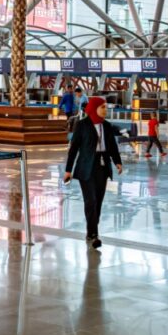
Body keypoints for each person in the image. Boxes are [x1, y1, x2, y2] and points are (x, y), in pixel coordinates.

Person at [63, 96, 123, 248]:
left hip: (102, 166)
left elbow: (112, 146)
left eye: (106, 107)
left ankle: (92, 230)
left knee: (99, 201)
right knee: (91, 201)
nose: (105, 110)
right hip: (86, 167)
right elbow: (74, 148)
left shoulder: (107, 126)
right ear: (94, 108)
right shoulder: (82, 125)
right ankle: (93, 234)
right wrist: (68, 170)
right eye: (102, 107)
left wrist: (117, 161)